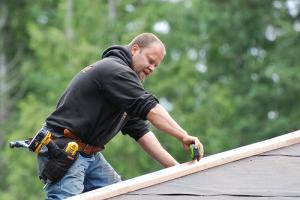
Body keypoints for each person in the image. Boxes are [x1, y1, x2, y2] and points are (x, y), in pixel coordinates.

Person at [36, 32, 204, 200]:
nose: (152, 68)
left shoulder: (124, 82)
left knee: (120, 195)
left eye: (156, 65)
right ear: (135, 49)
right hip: (64, 150)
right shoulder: (115, 70)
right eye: (150, 60)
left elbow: (140, 131)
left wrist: (175, 168)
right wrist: (183, 135)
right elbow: (151, 109)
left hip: (88, 154)